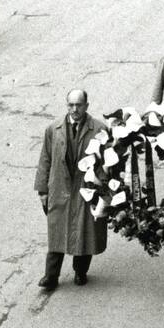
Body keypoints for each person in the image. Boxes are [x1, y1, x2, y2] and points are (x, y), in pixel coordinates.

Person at [34, 89, 107, 289]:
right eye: (71, 105)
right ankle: (51, 276)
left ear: (87, 106)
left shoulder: (99, 129)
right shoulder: (53, 129)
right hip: (60, 188)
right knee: (57, 233)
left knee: (85, 232)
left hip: (86, 189)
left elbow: (107, 163)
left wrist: (102, 189)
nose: (75, 109)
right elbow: (45, 159)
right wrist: (42, 190)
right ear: (67, 106)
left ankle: (80, 271)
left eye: (79, 105)